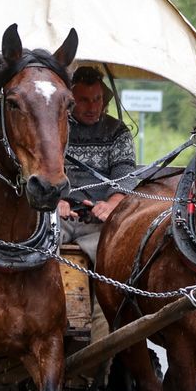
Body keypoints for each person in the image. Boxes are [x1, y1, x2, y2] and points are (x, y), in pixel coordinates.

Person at [57, 66, 136, 264]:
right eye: (84, 100)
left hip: (99, 221)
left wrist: (111, 205)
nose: (92, 108)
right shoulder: (54, 128)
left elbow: (125, 176)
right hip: (59, 216)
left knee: (113, 254)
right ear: (70, 101)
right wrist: (54, 201)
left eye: (97, 99)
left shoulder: (117, 131)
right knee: (38, 244)